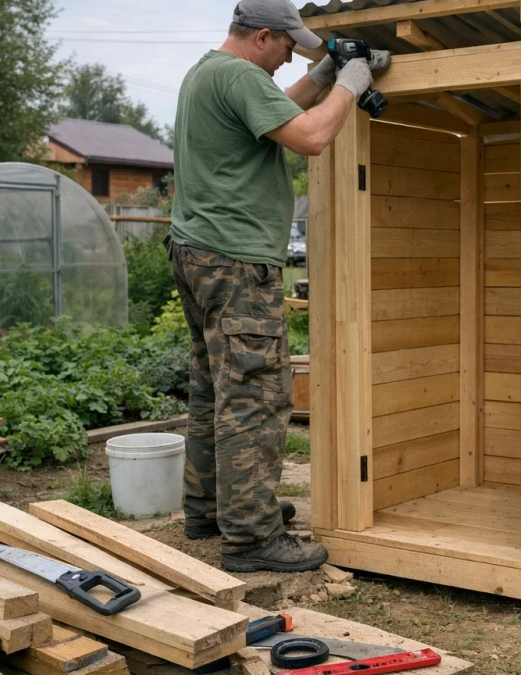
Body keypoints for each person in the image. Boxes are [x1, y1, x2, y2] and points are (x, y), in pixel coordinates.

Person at [167, 0, 390, 573]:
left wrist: (322, 77)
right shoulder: (239, 76)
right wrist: (352, 81)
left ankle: (210, 510)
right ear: (261, 36)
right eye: (289, 44)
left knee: (213, 389)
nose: (294, 52)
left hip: (196, 254)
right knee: (256, 395)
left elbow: (279, 117)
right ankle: (250, 538)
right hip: (237, 263)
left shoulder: (207, 74)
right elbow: (312, 137)